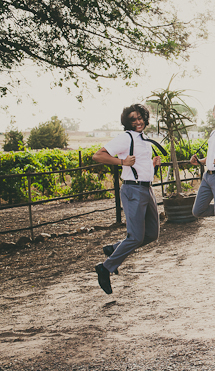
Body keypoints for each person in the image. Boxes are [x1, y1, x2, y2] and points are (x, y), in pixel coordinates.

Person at [92, 104, 166, 295]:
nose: (138, 121)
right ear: (127, 122)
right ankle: (105, 267)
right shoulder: (126, 137)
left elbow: (141, 167)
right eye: (133, 119)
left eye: (140, 117)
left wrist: (153, 166)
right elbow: (98, 155)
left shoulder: (143, 140)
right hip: (133, 190)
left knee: (151, 234)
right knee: (135, 236)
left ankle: (113, 249)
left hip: (146, 188)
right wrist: (121, 162)